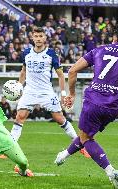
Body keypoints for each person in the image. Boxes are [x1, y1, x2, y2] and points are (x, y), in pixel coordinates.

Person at [54, 23, 118, 189]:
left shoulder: (98, 50)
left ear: (114, 37)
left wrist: (72, 94)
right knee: (85, 135)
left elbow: (72, 71)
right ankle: (63, 155)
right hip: (114, 106)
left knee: (86, 138)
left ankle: (111, 171)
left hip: (94, 100)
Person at [10, 27, 90, 158]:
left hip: (46, 92)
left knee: (59, 119)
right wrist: (19, 87)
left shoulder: (51, 54)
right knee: (20, 116)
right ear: (32, 38)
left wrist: (63, 94)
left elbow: (60, 75)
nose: (38, 39)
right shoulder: (26, 53)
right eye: (36, 36)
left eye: (41, 36)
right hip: (30, 91)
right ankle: (10, 147)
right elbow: (23, 72)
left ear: (45, 38)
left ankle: (80, 145)